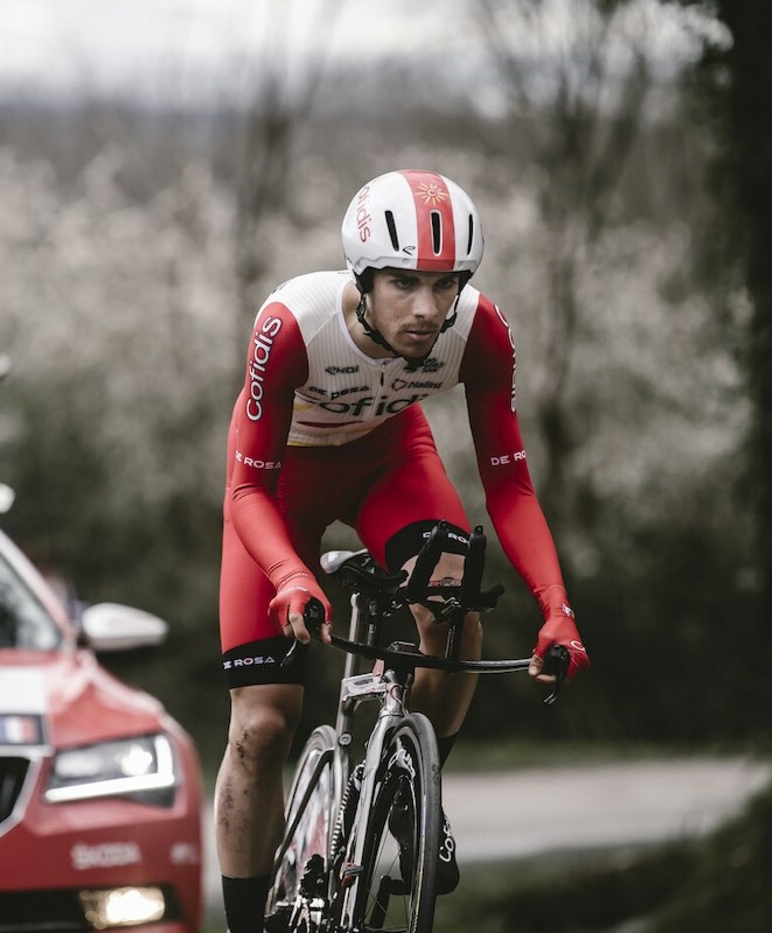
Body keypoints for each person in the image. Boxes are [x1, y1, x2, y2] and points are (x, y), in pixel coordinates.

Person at [215, 169, 590, 933]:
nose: (427, 309)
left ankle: (411, 796)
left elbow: (510, 488)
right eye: (403, 283)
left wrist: (557, 607)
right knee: (261, 728)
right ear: (362, 274)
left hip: (391, 464)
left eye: (446, 284)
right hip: (278, 485)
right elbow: (244, 491)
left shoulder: (479, 331)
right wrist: (288, 574)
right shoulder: (292, 322)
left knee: (452, 598)